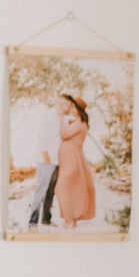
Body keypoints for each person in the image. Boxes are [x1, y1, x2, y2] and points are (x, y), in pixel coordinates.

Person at [56, 93, 95, 229]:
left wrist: (61, 118)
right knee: (70, 189)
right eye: (71, 107)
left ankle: (69, 220)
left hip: (72, 159)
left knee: (60, 188)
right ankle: (72, 220)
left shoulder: (79, 124)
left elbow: (65, 134)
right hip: (70, 158)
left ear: (80, 111)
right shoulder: (77, 122)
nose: (72, 110)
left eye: (74, 108)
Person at [27, 98, 62, 230]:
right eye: (62, 103)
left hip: (56, 161)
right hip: (46, 161)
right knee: (41, 191)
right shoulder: (49, 115)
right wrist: (46, 157)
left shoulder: (61, 118)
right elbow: (42, 137)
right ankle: (32, 221)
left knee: (50, 192)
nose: (65, 106)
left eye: (67, 104)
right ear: (58, 103)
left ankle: (46, 219)